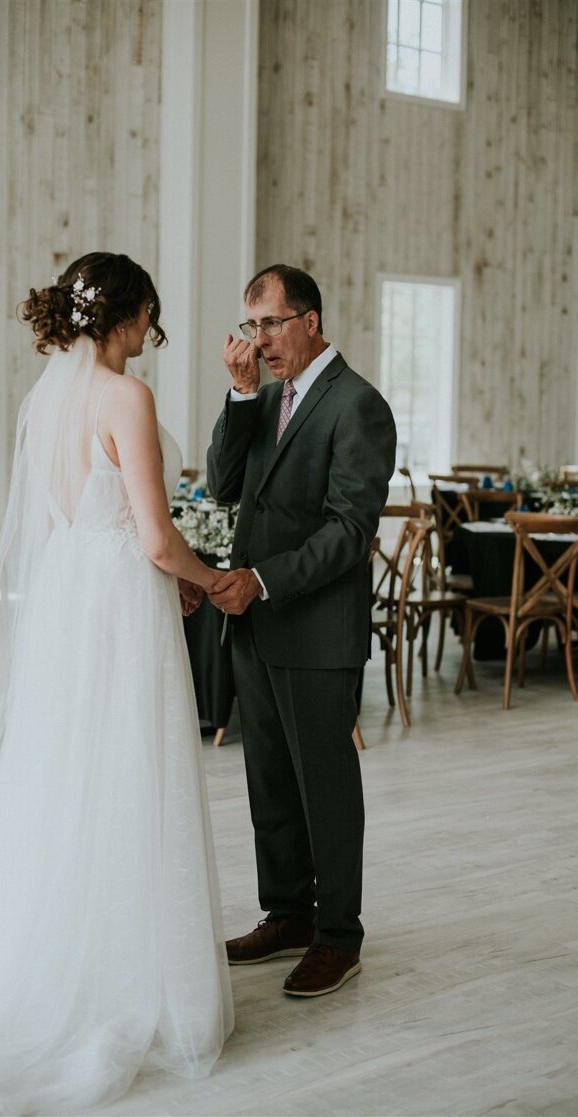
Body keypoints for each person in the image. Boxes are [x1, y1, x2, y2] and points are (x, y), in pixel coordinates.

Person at [0, 253, 233, 1114]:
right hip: (120, 602)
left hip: (74, 594)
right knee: (131, 774)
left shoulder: (47, 399)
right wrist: (210, 578)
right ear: (129, 312)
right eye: (150, 314)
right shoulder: (126, 398)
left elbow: (82, 519)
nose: (154, 330)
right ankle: (129, 976)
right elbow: (153, 538)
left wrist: (172, 566)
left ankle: (59, 941)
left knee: (70, 775)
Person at [205, 264, 396, 997]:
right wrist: (240, 396)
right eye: (251, 325)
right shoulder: (266, 395)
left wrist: (263, 580)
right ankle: (286, 911)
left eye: (272, 323)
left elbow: (349, 531)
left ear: (311, 320)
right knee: (271, 783)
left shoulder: (359, 406)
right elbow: (224, 484)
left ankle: (338, 935)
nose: (260, 339)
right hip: (253, 625)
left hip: (314, 628)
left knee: (326, 787)